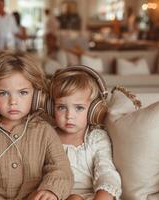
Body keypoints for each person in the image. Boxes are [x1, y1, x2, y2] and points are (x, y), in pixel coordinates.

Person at [0, 50, 73, 200]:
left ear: (37, 96)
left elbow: (61, 168)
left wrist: (52, 190)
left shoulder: (44, 131)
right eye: (3, 93)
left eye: (23, 93)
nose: (13, 102)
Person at [49, 66, 122, 200]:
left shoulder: (96, 138)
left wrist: (104, 194)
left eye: (79, 108)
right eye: (61, 107)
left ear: (94, 110)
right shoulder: (47, 137)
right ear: (51, 108)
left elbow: (106, 171)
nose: (69, 115)